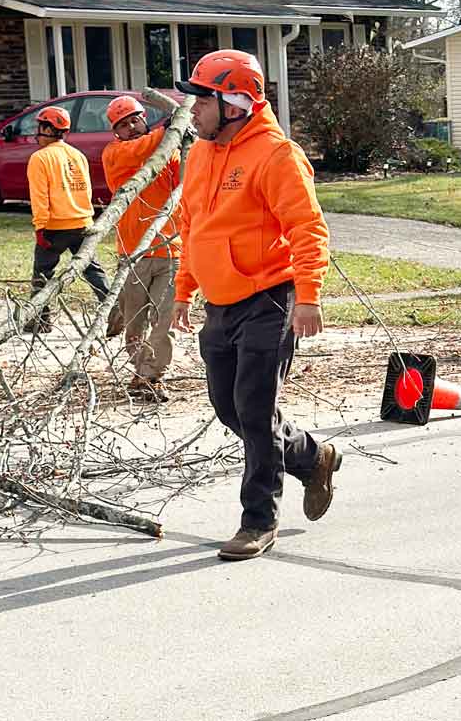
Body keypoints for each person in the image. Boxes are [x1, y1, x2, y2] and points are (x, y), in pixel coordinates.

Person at [170, 49, 339, 562]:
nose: (192, 108)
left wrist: (308, 297)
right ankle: (312, 457)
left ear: (237, 103)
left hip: (271, 299)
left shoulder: (275, 155)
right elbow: (193, 226)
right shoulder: (200, 152)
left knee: (255, 409)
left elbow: (307, 229)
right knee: (230, 408)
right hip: (220, 304)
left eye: (202, 98)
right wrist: (183, 289)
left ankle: (257, 520)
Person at [102, 95, 181, 402]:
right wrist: (168, 128)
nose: (132, 128)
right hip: (134, 253)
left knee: (164, 322)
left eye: (135, 120)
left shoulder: (165, 154)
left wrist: (180, 137)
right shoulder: (116, 154)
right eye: (124, 125)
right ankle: (139, 370)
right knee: (135, 321)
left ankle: (152, 375)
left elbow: (187, 176)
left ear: (143, 118)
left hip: (170, 250)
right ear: (115, 132)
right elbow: (141, 148)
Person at [26, 105, 112, 333]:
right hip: (83, 223)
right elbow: (86, 191)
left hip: (54, 228)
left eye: (40, 127)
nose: (37, 133)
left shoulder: (39, 158)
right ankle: (113, 310)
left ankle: (39, 320)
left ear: (48, 128)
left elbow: (40, 197)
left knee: (43, 273)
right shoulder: (78, 155)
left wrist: (40, 228)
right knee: (93, 270)